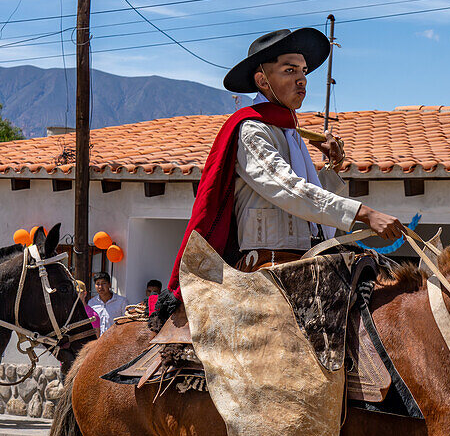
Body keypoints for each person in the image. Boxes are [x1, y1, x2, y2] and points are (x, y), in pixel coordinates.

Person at [160, 27, 403, 315]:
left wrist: (331, 168)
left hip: (307, 261)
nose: (302, 79)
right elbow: (288, 190)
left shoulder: (291, 133)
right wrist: (364, 213)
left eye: (303, 71)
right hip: (269, 269)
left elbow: (306, 207)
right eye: (289, 70)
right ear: (262, 80)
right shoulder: (253, 131)